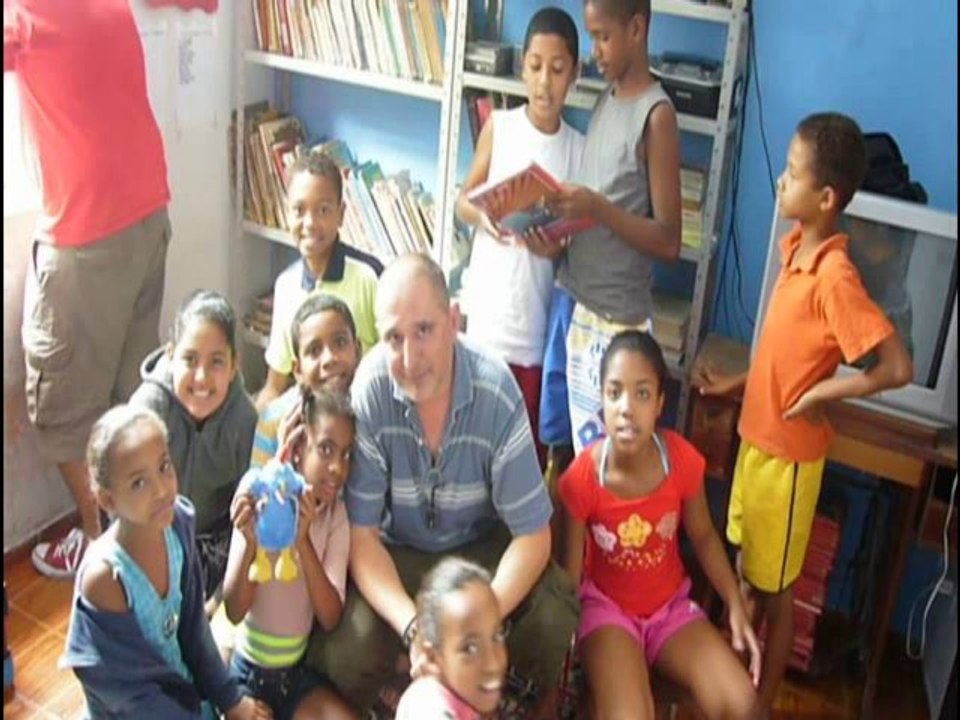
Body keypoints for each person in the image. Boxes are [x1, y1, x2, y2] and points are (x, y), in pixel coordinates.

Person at [695, 112, 914, 718]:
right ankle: (734, 688)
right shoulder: (796, 250)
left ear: (825, 197)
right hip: (755, 443)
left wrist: (824, 395)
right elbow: (779, 355)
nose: (780, 184)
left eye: (791, 175)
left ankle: (759, 707)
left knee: (778, 592)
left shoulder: (835, 276)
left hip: (787, 463)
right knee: (746, 574)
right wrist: (738, 382)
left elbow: (895, 366)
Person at [307, 253, 578, 716]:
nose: (410, 359)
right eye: (394, 338)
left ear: (454, 320)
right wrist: (414, 628)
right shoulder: (371, 390)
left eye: (424, 331)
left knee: (553, 615)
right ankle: (411, 690)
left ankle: (496, 699)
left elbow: (533, 536)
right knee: (346, 650)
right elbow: (363, 537)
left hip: (479, 550)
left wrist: (474, 624)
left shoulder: (497, 389)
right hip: (402, 553)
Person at [5, 0, 172, 579]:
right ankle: (148, 531)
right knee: (131, 393)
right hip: (148, 213)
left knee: (60, 410)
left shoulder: (24, 14)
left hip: (89, 233)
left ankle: (101, 538)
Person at [560, 331, 759, 719]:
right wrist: (567, 643)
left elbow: (702, 536)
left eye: (643, 394)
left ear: (660, 404)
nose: (627, 408)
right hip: (607, 612)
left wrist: (734, 601)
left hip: (670, 609)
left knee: (743, 703)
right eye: (614, 392)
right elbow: (569, 576)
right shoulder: (582, 477)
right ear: (600, 401)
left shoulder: (681, 460)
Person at [531, 0, 682, 455]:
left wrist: (597, 208)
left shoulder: (657, 116)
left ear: (636, 28)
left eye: (602, 37)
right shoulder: (607, 96)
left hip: (613, 319)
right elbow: (598, 207)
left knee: (602, 460)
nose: (593, 51)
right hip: (572, 301)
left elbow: (669, 240)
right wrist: (555, 231)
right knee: (559, 447)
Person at [61, 405, 269, 720]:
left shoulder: (178, 523)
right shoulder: (106, 577)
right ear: (107, 500)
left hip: (181, 694)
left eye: (164, 466)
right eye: (138, 483)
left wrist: (230, 699)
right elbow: (128, 693)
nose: (161, 489)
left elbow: (194, 629)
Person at [456, 6, 585, 471]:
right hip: (488, 316)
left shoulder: (578, 148)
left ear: (575, 72)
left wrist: (557, 246)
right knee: (469, 435)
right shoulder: (501, 127)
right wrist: (485, 215)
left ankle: (514, 537)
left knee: (520, 448)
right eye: (534, 67)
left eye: (557, 69)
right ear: (522, 67)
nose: (544, 82)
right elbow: (463, 200)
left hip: (533, 322)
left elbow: (577, 240)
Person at [224, 388, 357, 720]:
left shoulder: (335, 516)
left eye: (346, 454)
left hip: (295, 676)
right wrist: (252, 542)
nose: (338, 467)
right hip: (246, 676)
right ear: (298, 448)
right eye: (326, 449)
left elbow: (330, 616)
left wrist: (302, 543)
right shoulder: (259, 493)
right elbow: (234, 609)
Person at [130, 290, 258, 606]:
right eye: (189, 359)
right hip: (153, 537)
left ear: (233, 366)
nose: (201, 378)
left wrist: (217, 599)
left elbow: (249, 514)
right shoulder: (147, 410)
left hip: (214, 545)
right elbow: (122, 502)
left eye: (216, 362)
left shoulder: (244, 420)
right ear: (171, 355)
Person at [256, 153, 381, 412]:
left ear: (341, 213)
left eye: (323, 210)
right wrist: (256, 436)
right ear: (286, 213)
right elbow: (274, 385)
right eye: (299, 210)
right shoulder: (286, 286)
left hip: (366, 415)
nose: (310, 223)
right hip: (313, 420)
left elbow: (393, 369)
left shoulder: (368, 277)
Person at [250, 294, 361, 471]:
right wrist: (281, 465)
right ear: (298, 370)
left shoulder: (368, 412)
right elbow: (256, 492)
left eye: (340, 342)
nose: (329, 359)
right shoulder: (275, 419)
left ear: (357, 351)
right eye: (314, 350)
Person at [395, 557, 508, 720]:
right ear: (433, 658)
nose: (493, 663)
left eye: (497, 636)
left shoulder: (462, 696)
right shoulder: (427, 709)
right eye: (470, 649)